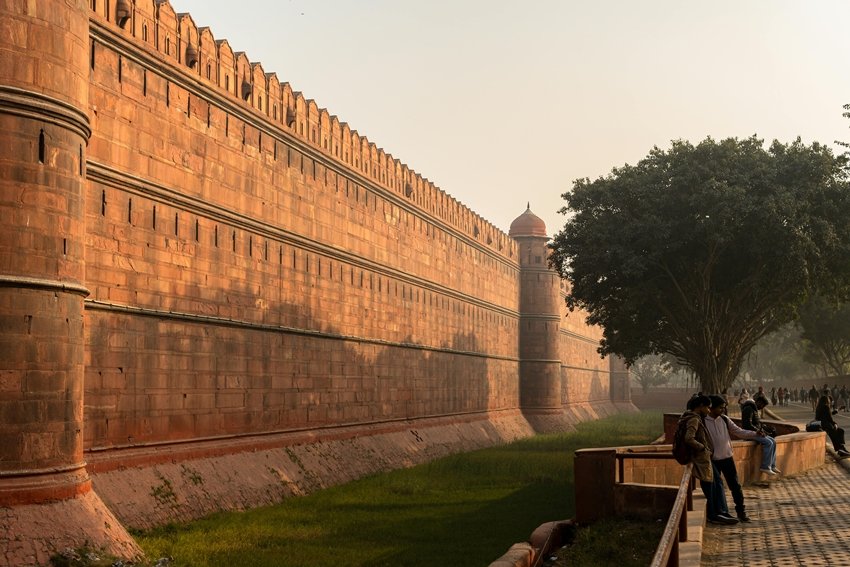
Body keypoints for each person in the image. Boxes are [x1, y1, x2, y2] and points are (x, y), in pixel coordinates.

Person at [680, 394, 737, 525]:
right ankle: (713, 514)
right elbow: (689, 438)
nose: (708, 410)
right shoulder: (694, 419)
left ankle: (719, 512)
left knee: (715, 483)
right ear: (701, 406)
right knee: (710, 485)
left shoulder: (692, 417)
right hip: (701, 458)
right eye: (707, 407)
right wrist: (703, 448)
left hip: (704, 458)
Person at [704, 395, 762, 522]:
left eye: (724, 407)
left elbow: (739, 431)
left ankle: (741, 512)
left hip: (727, 457)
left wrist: (755, 433)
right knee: (716, 487)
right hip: (713, 460)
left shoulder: (724, 419)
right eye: (720, 408)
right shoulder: (703, 421)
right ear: (711, 408)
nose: (723, 410)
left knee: (735, 486)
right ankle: (719, 512)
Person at [740, 394, 780, 475]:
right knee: (769, 443)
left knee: (773, 441)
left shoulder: (754, 409)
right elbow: (747, 425)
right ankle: (765, 467)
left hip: (755, 433)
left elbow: (756, 423)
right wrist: (757, 430)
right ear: (759, 402)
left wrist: (763, 429)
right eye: (762, 405)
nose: (762, 408)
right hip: (749, 433)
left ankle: (772, 465)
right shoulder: (748, 409)